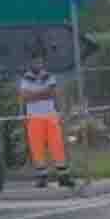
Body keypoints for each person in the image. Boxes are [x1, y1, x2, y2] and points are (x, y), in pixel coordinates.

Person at [19, 51, 72, 188]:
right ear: (31, 63)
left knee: (57, 145)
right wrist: (43, 93)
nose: (38, 64)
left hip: (50, 115)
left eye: (40, 61)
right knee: (37, 147)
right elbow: (25, 96)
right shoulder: (25, 78)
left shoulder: (49, 76)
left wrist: (35, 94)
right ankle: (42, 177)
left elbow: (52, 93)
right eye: (36, 61)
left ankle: (63, 176)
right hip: (34, 117)